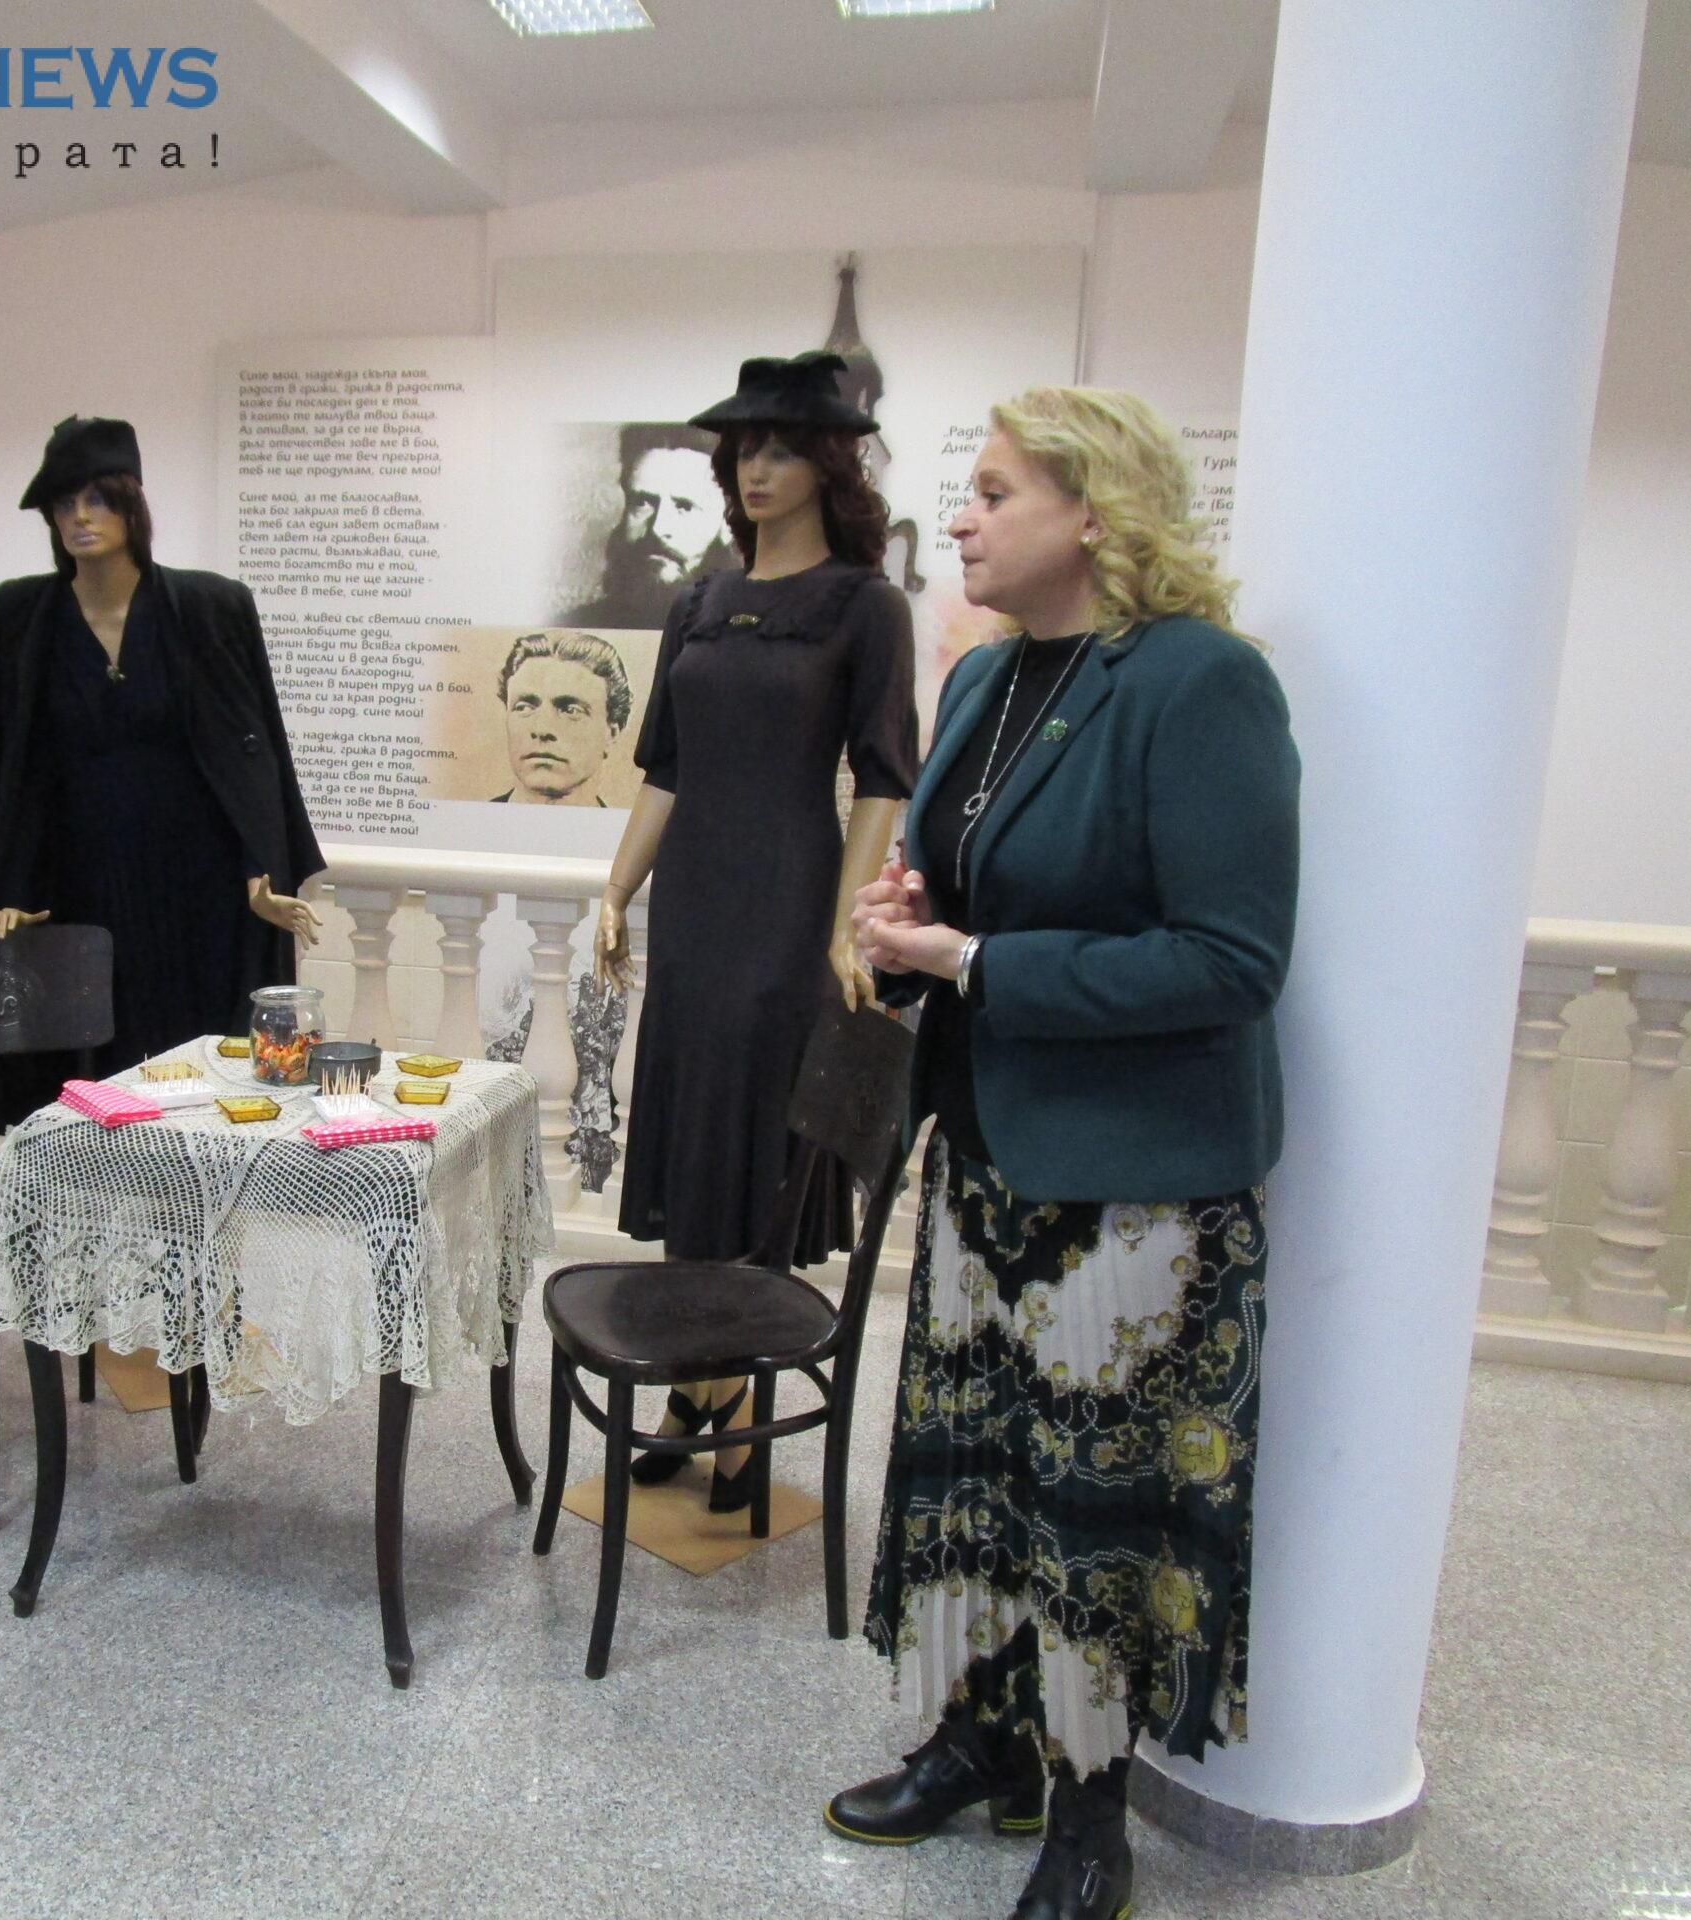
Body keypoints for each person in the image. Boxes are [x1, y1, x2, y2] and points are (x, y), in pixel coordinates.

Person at [828, 387, 1300, 1920]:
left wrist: (971, 959)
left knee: (1091, 1511)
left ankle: (1093, 1822)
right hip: (982, 1155)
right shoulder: (982, 679)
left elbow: (1231, 961)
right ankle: (986, 1743)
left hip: (1133, 1188)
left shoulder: (1201, 681)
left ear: (1096, 513)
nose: (959, 520)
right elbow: (970, 899)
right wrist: (909, 929)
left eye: (992, 491)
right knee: (976, 1475)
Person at [597, 351, 916, 1509]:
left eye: (781, 448)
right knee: (692, 1139)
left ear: (828, 463)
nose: (756, 468)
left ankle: (727, 1410)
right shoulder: (697, 600)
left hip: (787, 905)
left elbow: (882, 777)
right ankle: (704, 1396)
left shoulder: (863, 605)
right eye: (744, 449)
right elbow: (666, 768)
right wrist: (614, 891)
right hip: (692, 902)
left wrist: (843, 930)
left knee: (749, 1144)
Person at [0, 414, 321, 1132]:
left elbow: (253, 750)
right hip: (78, 883)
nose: (80, 517)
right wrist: (8, 887)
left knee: (200, 1069)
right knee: (82, 1079)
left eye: (98, 499)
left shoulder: (209, 606)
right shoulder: (22, 614)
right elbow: (4, 755)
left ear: (132, 505)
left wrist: (261, 866)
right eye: (64, 503)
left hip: (197, 882)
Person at [558, 423, 736, 632]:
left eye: (685, 507)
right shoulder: (573, 628)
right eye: (642, 503)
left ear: (727, 522)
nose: (658, 528)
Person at [491, 630, 630, 806]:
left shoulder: (631, 824)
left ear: (611, 733)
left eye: (571, 710)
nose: (542, 729)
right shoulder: (471, 818)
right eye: (524, 707)